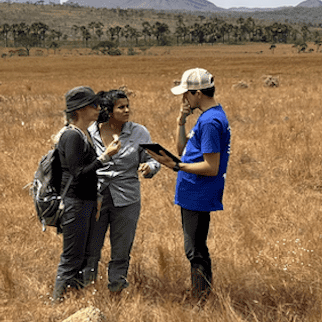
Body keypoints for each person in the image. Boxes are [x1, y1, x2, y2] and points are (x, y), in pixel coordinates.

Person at [146, 68, 231, 304]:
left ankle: (201, 298)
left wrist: (176, 166)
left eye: (187, 94)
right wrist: (181, 121)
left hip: (198, 192)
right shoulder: (205, 118)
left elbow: (211, 167)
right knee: (195, 247)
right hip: (192, 190)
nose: (184, 98)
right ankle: (201, 294)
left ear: (198, 93)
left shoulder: (211, 122)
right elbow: (183, 150)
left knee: (195, 250)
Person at [82, 89, 161, 293]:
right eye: (121, 107)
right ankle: (87, 287)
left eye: (128, 106)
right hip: (97, 196)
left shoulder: (139, 132)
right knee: (91, 246)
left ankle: (117, 287)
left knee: (122, 248)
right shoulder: (90, 133)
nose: (127, 110)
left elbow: (153, 159)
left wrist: (149, 168)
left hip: (127, 199)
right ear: (109, 111)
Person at [52, 86, 120, 302]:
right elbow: (78, 173)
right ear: (81, 110)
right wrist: (105, 158)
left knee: (81, 256)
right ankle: (57, 304)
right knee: (71, 258)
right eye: (94, 105)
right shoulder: (72, 136)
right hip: (75, 203)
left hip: (84, 202)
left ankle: (73, 301)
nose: (98, 108)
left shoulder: (82, 134)